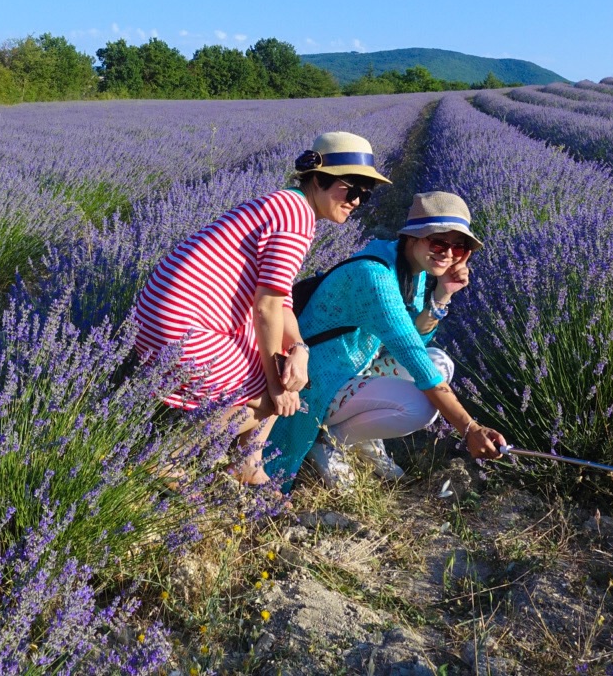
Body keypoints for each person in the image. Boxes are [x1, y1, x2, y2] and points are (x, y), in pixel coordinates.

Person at [133, 131, 391, 486]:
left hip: (161, 322)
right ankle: (172, 456)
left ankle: (248, 461)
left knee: (288, 361)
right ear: (317, 179)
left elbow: (280, 297)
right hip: (184, 332)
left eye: (366, 193)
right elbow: (267, 306)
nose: (358, 201)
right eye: (351, 188)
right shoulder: (296, 219)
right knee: (280, 386)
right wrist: (275, 385)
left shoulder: (288, 205)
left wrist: (299, 347)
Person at [266, 191, 506, 491]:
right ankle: (328, 440)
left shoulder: (409, 267)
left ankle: (355, 437)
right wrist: (470, 428)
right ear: (413, 238)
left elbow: (414, 337)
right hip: (318, 380)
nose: (448, 254)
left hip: (354, 366)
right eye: (439, 242)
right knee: (419, 407)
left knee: (440, 361)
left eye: (459, 248)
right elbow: (413, 357)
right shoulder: (376, 276)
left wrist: (443, 293)